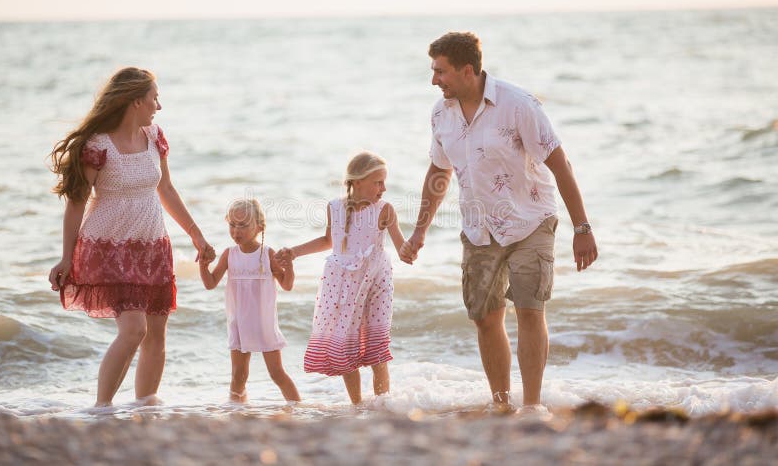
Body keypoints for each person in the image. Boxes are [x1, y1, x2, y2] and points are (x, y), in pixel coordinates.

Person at [400, 32, 598, 412]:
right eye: (433, 71)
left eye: (440, 72)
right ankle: (501, 403)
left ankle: (532, 407)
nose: (434, 80)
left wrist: (582, 228)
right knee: (485, 318)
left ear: (467, 70)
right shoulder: (440, 114)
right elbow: (439, 173)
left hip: (531, 221)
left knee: (529, 310)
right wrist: (420, 230)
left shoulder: (518, 105)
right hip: (478, 229)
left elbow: (561, 165)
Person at [48, 67, 215, 407]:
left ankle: (145, 408)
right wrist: (67, 257)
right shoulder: (97, 146)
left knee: (156, 335)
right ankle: (102, 409)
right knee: (134, 331)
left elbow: (166, 188)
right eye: (155, 98)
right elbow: (76, 203)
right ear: (136, 101)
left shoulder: (155, 137)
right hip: (109, 248)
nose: (159, 105)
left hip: (153, 245)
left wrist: (197, 236)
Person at [276, 152, 409, 404]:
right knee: (346, 345)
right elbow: (329, 241)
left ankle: (384, 403)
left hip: (376, 283)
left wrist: (410, 249)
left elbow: (401, 245)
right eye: (377, 182)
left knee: (376, 346)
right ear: (357, 182)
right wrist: (294, 252)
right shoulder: (334, 207)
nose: (384, 188)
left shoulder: (385, 210)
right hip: (343, 285)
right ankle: (357, 404)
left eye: (384, 182)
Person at [198, 198, 300, 403]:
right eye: (232, 225)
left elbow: (287, 285)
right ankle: (237, 410)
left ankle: (298, 408)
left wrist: (289, 266)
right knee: (238, 376)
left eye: (243, 225)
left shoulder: (267, 254)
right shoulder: (229, 255)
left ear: (259, 228)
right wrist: (203, 264)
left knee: (277, 373)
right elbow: (210, 283)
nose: (236, 231)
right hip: (238, 323)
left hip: (264, 324)